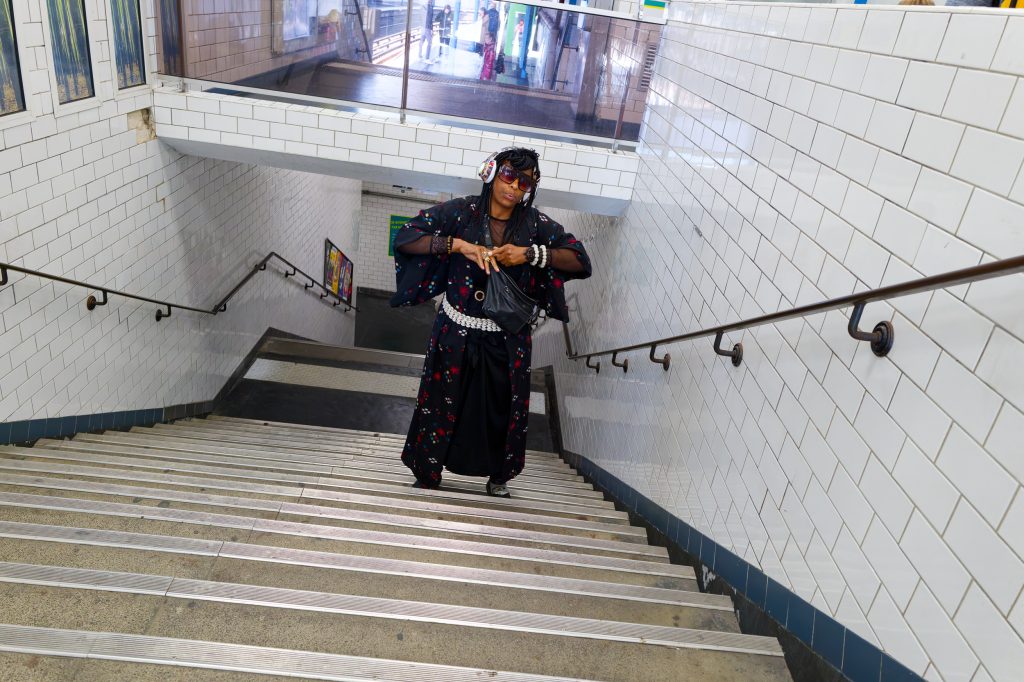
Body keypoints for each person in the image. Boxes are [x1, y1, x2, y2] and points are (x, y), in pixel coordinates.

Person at [390, 147, 592, 498]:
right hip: (454, 330)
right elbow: (406, 238)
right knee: (441, 402)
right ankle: (428, 471)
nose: (514, 187)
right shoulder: (461, 212)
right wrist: (458, 246)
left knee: (503, 408)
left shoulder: (535, 226)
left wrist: (530, 254)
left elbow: (580, 260)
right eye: (509, 175)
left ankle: (499, 476)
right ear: (492, 172)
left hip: (507, 339)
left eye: (525, 182)